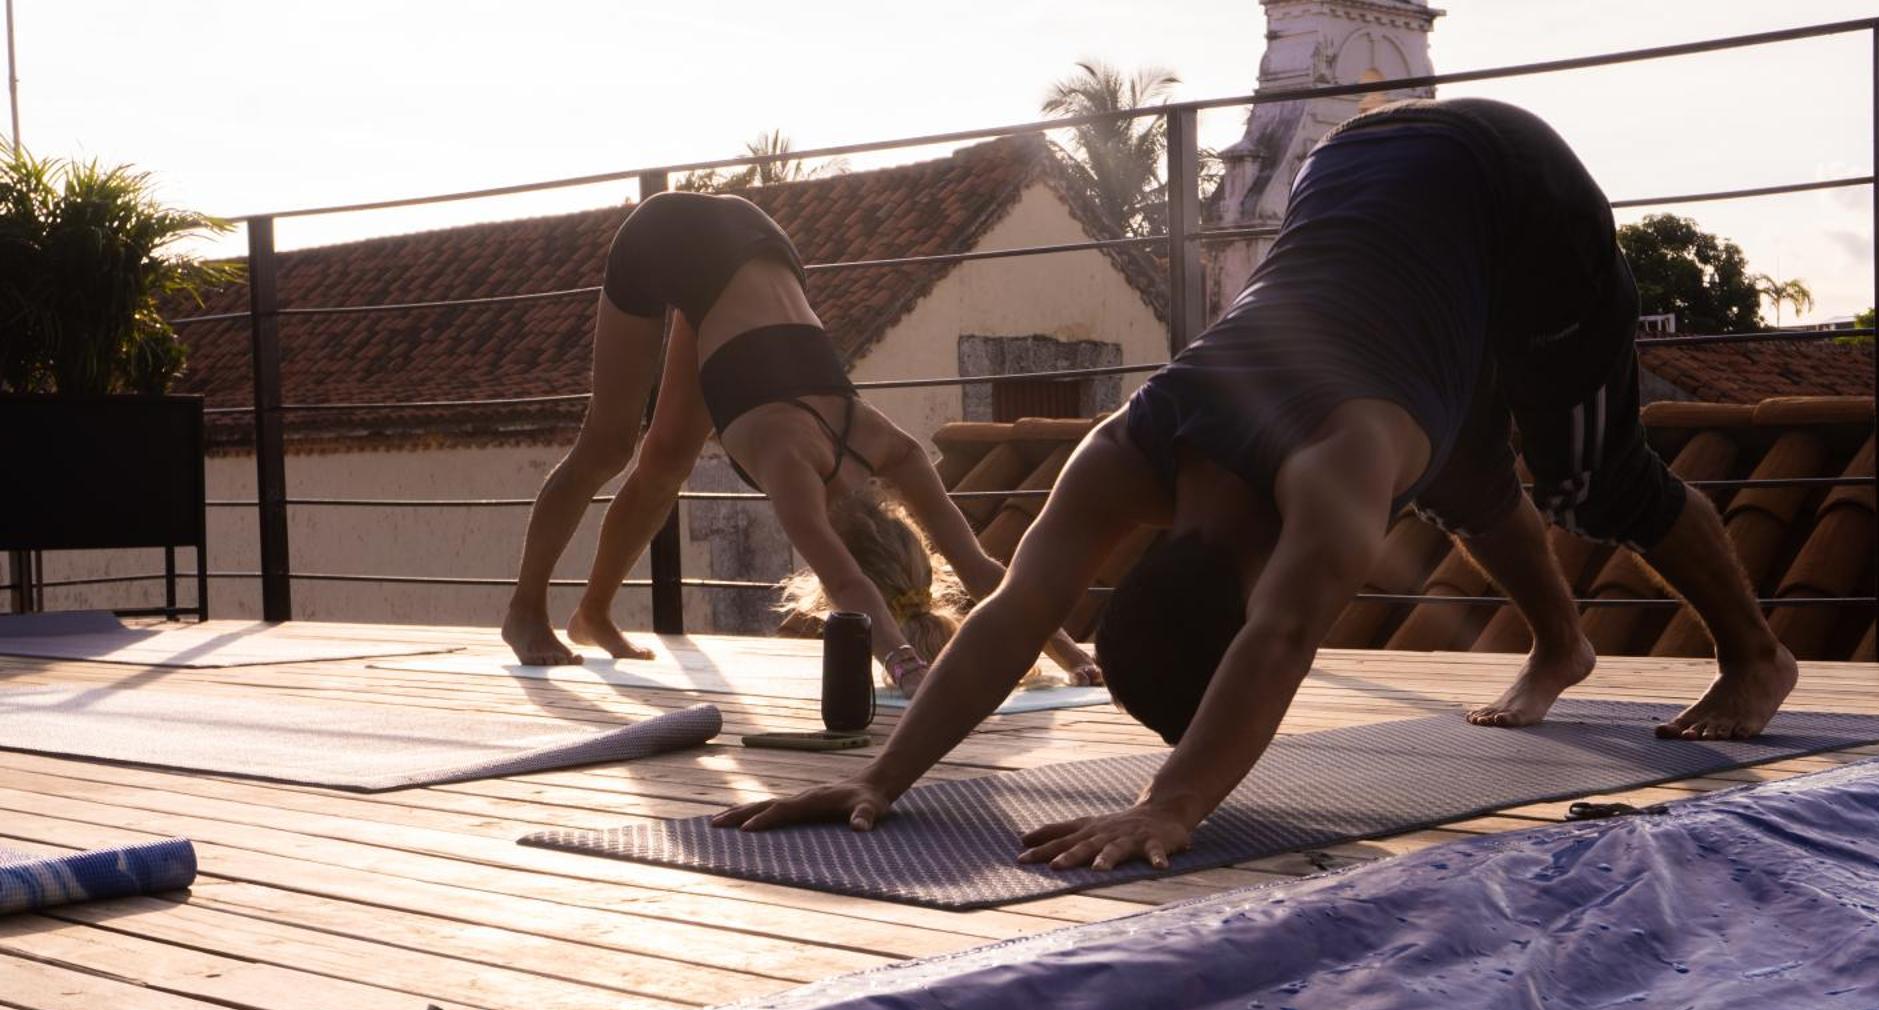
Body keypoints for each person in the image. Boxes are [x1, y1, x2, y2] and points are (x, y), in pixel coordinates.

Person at [714, 98, 1798, 867]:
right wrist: (879, 779)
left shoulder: (1335, 465)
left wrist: (1171, 803)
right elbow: (1013, 611)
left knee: (1588, 484)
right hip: (1348, 168)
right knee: (1459, 471)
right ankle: (1561, 646)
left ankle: (1755, 656)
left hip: (1511, 184)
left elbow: (1277, 640)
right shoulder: (1127, 456)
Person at [502, 189, 1100, 695]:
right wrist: (903, 664)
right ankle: (525, 611)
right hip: (667, 236)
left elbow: (978, 568)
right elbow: (851, 586)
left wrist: (1075, 658)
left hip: (757, 242)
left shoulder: (888, 448)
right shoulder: (793, 464)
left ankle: (593, 613)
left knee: (665, 459)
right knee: (607, 446)